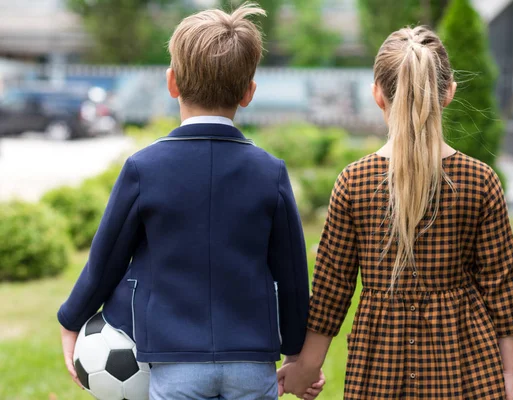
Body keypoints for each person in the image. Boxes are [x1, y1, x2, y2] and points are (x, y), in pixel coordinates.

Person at [57, 3, 323, 399]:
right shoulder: (271, 172)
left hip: (174, 362)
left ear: (172, 82)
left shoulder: (142, 168)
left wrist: (71, 320)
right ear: (249, 93)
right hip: (252, 363)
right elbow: (291, 276)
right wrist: (298, 354)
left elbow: (106, 259)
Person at [278, 26, 513, 400]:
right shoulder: (481, 181)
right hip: (468, 370)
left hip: (378, 370)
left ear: (377, 95)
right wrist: (508, 377)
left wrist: (305, 369)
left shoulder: (354, 181)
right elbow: (501, 293)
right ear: (449, 92)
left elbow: (331, 292)